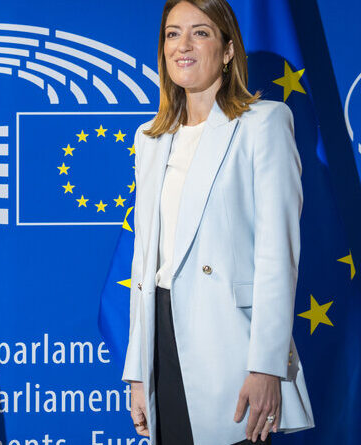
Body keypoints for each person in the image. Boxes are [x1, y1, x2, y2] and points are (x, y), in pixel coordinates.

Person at [122, 1, 315, 444]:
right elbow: (144, 264)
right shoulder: (150, 138)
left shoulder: (263, 124)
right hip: (163, 339)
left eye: (200, 33)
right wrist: (138, 372)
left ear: (228, 50)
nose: (182, 46)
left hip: (232, 346)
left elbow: (276, 256)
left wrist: (266, 366)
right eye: (172, 34)